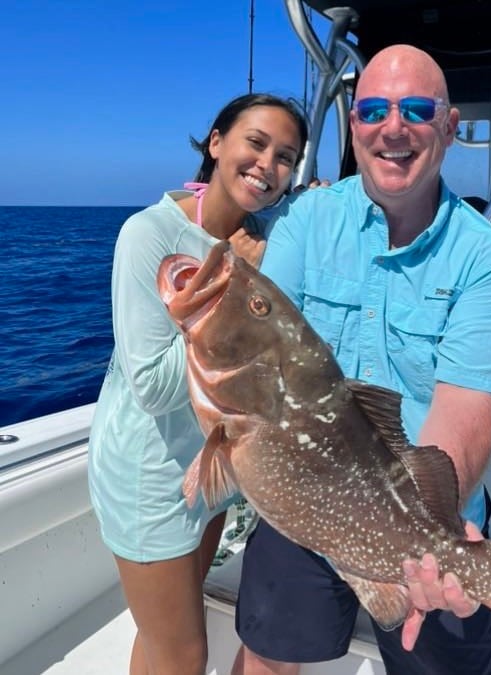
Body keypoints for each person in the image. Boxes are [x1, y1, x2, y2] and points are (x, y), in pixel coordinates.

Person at [232, 44, 491, 675]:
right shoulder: (304, 222)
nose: (393, 128)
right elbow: (264, 359)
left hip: (428, 516)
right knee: (264, 658)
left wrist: (431, 536)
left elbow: (463, 412)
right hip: (304, 500)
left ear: (450, 127)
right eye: (372, 110)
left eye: (417, 109)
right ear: (353, 127)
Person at [87, 93, 309, 675]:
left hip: (212, 466)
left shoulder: (265, 231)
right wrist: (231, 287)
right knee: (184, 655)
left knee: (158, 639)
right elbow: (152, 390)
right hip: (149, 477)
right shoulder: (148, 234)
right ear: (216, 143)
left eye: (286, 157)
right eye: (255, 143)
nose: (268, 165)